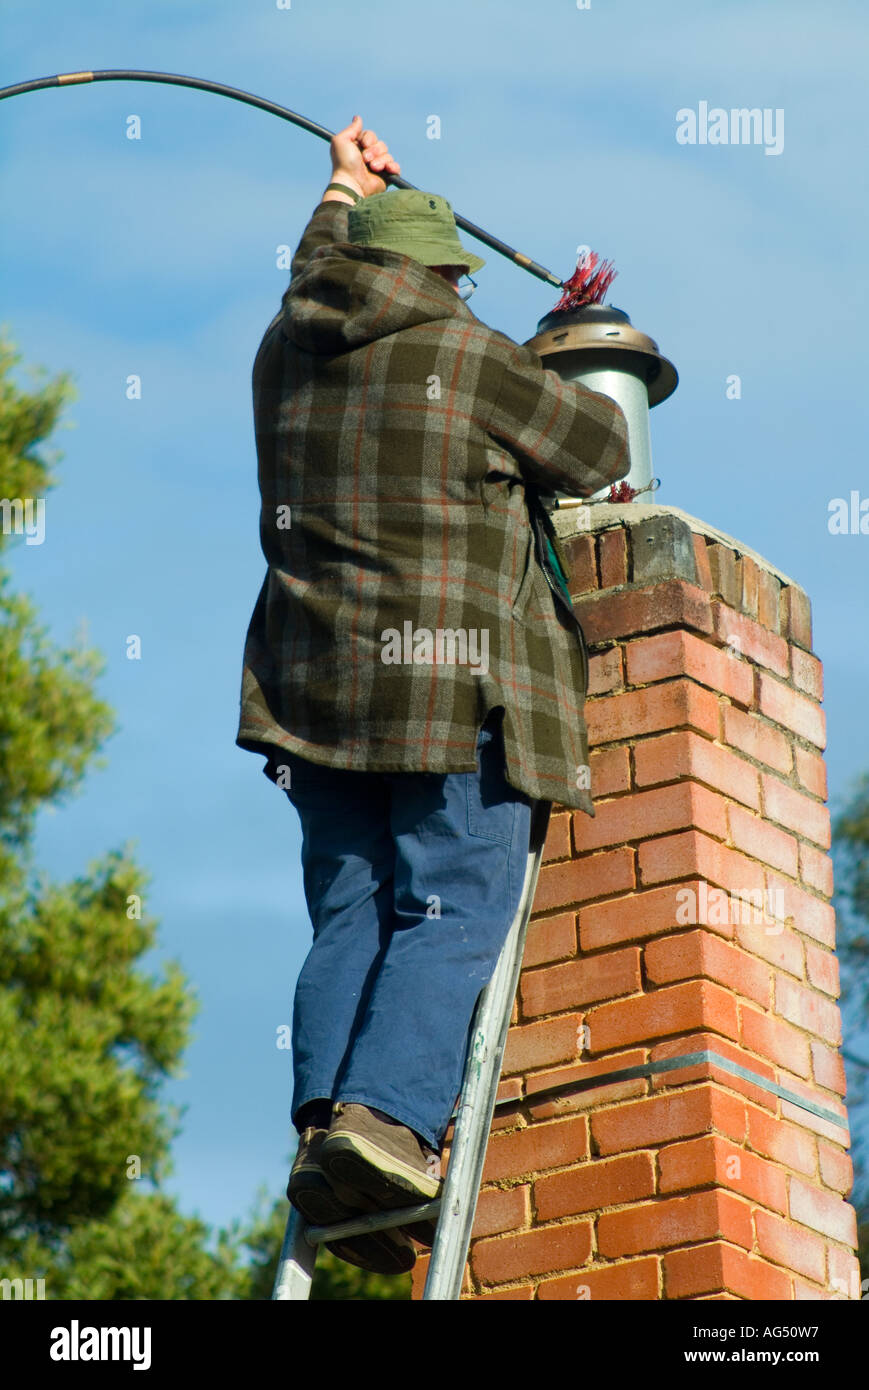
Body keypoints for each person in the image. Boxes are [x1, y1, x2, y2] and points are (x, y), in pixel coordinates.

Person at [236, 115, 630, 1276]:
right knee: (451, 904)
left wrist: (337, 190)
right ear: (442, 278)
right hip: (449, 686)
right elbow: (595, 437)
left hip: (314, 699)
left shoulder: (282, 344)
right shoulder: (465, 352)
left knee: (352, 909)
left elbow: (320, 271)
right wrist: (559, 336)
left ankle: (328, 1125)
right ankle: (388, 1124)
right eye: (457, 278)